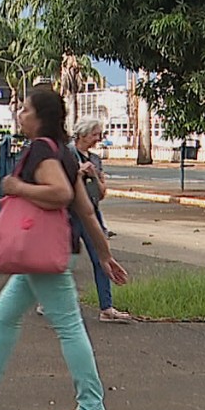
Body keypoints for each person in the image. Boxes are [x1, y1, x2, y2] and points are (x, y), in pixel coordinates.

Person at [0, 87, 128, 410]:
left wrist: (16, 188)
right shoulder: (64, 152)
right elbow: (85, 209)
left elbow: (59, 194)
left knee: (69, 327)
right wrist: (104, 255)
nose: (21, 114)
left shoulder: (42, 150)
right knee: (5, 312)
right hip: (53, 249)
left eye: (26, 109)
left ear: (41, 117)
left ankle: (91, 406)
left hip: (43, 251)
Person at [71, 117, 131, 323]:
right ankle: (49, 300)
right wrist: (78, 173)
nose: (98, 138)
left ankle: (107, 307)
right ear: (83, 134)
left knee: (101, 258)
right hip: (69, 213)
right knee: (63, 259)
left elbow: (102, 192)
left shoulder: (96, 159)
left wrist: (94, 176)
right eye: (95, 134)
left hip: (92, 212)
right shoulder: (68, 154)